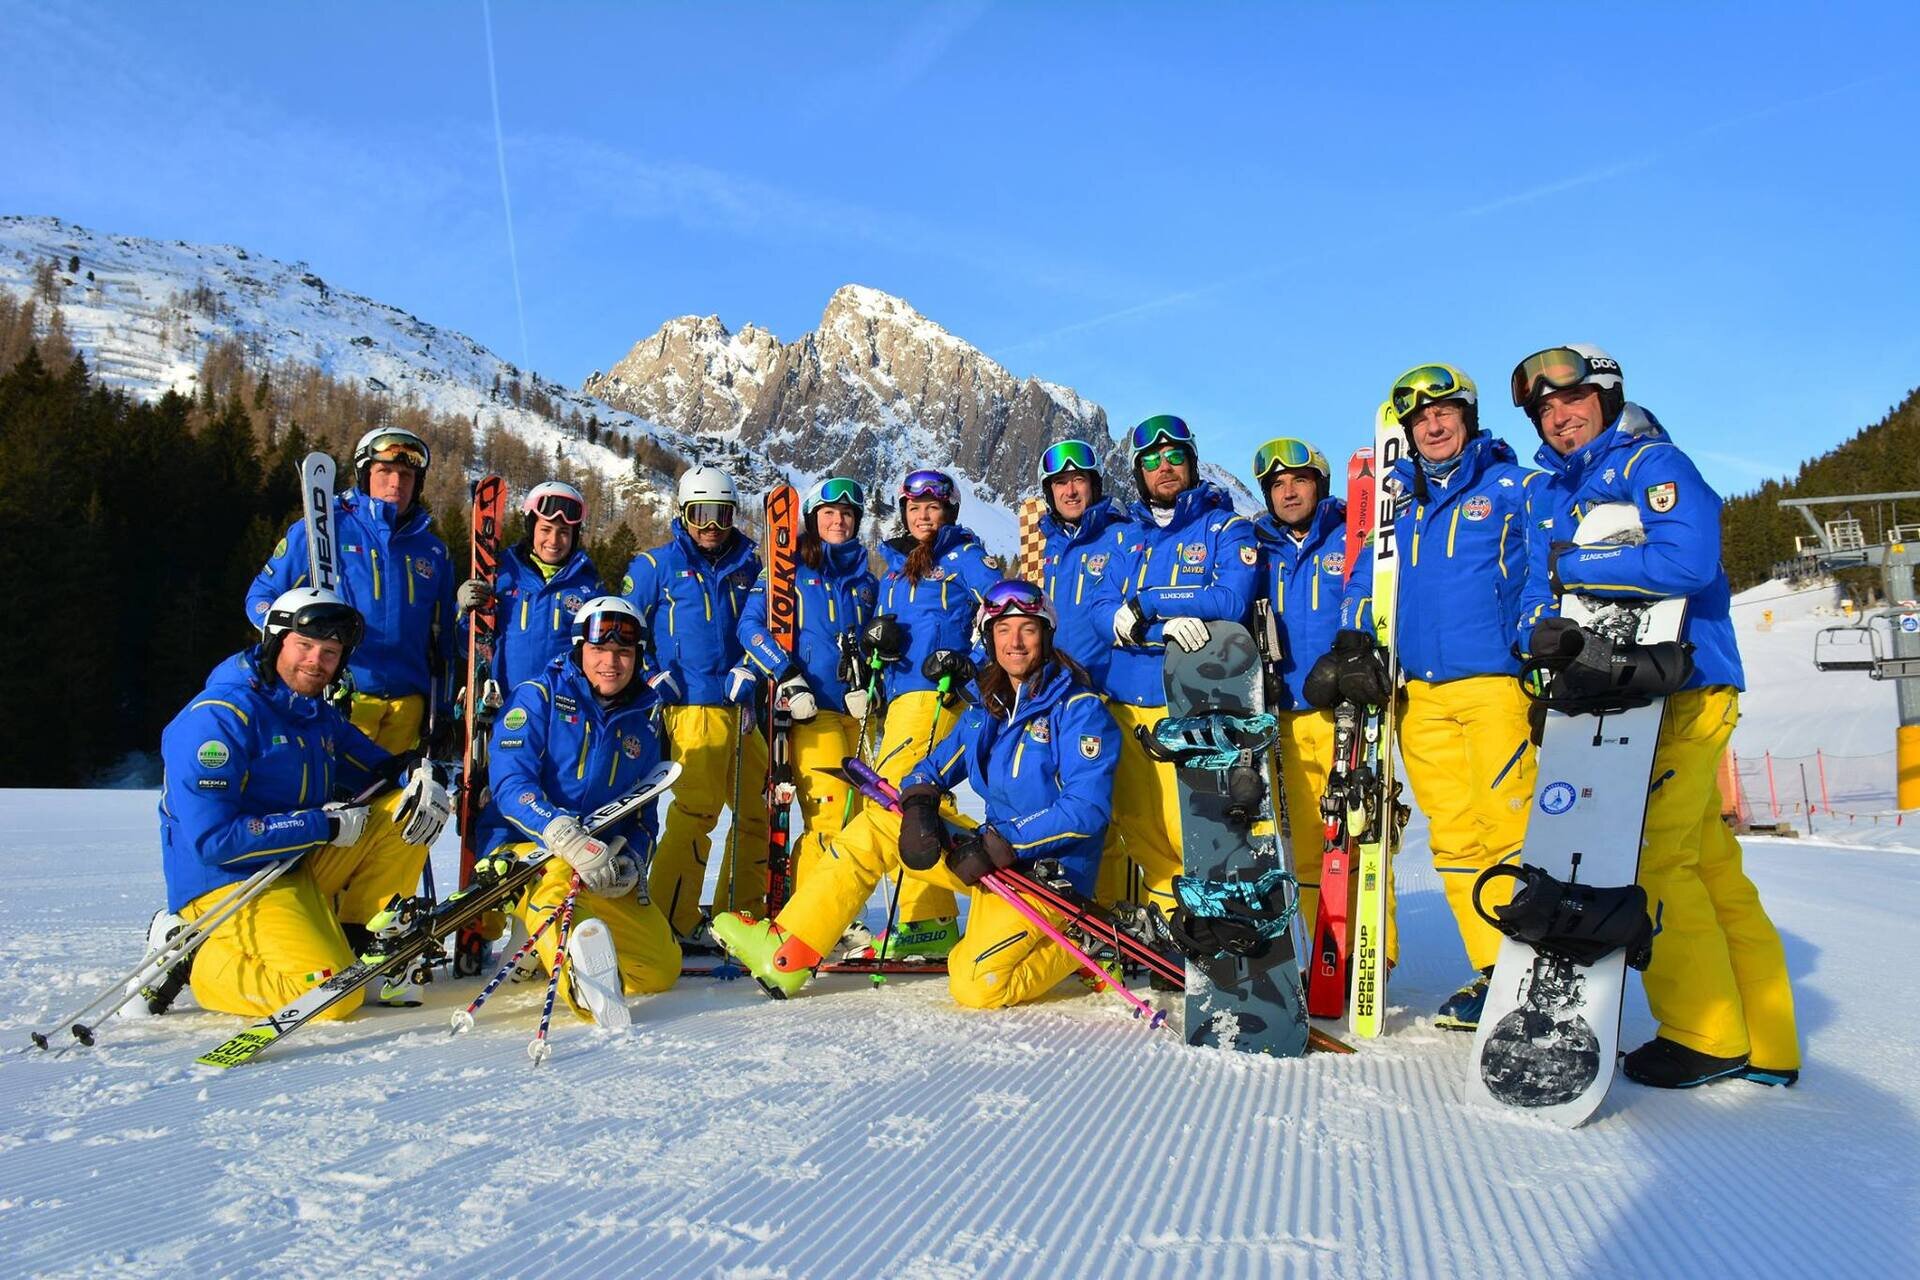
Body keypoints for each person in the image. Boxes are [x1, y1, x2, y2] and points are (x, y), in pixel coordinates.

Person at [1510, 343, 1799, 1088]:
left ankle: (1705, 1033)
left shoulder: (1648, 465)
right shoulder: (1559, 488)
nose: (1557, 418)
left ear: (1606, 396)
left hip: (1682, 689)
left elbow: (1685, 561)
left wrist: (1573, 565)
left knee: (1657, 862)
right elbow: (1543, 593)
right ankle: (1767, 1041)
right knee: (1710, 865)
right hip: (1627, 694)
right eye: (1544, 410)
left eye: (1570, 402)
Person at [710, 580, 1121, 1008]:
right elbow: (932, 768)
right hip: (989, 858)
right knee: (875, 827)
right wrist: (921, 799)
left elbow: (1085, 810)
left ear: (1046, 634)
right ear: (989, 637)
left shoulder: (1079, 709)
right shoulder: (990, 707)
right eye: (1002, 630)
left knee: (975, 985)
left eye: (1027, 630)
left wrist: (1003, 842)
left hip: (1045, 878)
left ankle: (1086, 944)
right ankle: (788, 951)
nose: (1014, 642)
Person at [1330, 366, 1540, 1030]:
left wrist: (1535, 649)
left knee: (1507, 826)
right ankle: (1492, 967)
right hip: (1417, 693)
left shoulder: (1514, 488)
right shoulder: (1398, 505)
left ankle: (1535, 967)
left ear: (1468, 418)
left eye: (1444, 412)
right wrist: (1358, 644)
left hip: (1493, 684)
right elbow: (1366, 585)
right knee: (1451, 837)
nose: (1433, 424)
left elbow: (1542, 572)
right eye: (1420, 419)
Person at [157, 587, 450, 1018]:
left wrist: (422, 775)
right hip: (229, 881)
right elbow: (215, 840)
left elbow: (380, 769)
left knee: (405, 811)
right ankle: (196, 959)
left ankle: (360, 945)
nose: (317, 662)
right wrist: (321, 825)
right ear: (275, 641)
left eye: (330, 652)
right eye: (305, 646)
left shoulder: (314, 714)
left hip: (293, 865)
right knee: (334, 999)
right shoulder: (219, 718)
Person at [1086, 415, 1259, 914]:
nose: (1165, 468)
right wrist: (1153, 626)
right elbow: (1102, 609)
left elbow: (1230, 599)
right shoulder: (1125, 538)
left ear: (1192, 462)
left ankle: (1218, 927)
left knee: (1196, 829)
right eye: (1152, 462)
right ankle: (1173, 930)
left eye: (1174, 457)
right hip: (1123, 704)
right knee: (1142, 831)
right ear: (1139, 473)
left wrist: (1147, 601)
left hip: (1187, 703)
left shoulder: (1225, 527)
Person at [482, 596, 679, 1028]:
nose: (611, 662)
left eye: (623, 652)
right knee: (556, 883)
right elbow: (511, 785)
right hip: (529, 849)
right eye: (599, 650)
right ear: (579, 649)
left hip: (600, 858)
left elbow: (645, 811)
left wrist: (632, 860)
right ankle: (581, 982)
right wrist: (560, 833)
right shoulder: (539, 696)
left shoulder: (646, 717)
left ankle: (540, 941)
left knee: (660, 969)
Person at [620, 466, 768, 943]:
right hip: (691, 708)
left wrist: (753, 667)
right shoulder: (654, 565)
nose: (711, 526)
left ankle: (737, 915)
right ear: (681, 513)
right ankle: (668, 918)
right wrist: (650, 675)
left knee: (756, 811)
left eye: (721, 515)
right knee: (697, 812)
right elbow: (624, 628)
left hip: (742, 708)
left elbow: (763, 623)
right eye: (700, 514)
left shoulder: (750, 564)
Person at [246, 427, 458, 757]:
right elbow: (260, 597)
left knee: (394, 802)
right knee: (335, 802)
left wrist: (444, 709)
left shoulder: (433, 551)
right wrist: (289, 643)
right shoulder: (322, 527)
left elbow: (444, 640)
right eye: (384, 471)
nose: (396, 484)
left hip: (408, 706)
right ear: (363, 474)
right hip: (341, 698)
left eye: (406, 474)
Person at [735, 476, 880, 899]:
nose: (839, 521)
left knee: (859, 821)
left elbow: (872, 643)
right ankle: (806, 914)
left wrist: (869, 683)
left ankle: (836, 915)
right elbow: (751, 627)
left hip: (855, 711)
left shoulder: (865, 582)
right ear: (814, 519)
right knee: (829, 818)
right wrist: (786, 674)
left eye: (848, 514)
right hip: (808, 711)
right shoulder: (787, 572)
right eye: (830, 513)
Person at [1248, 437, 1363, 936]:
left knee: (1357, 835)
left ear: (1320, 485)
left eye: (1299, 481)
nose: (1289, 493)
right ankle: (1325, 951)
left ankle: (1370, 946)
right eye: (1278, 485)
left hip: (1344, 710)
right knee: (1306, 843)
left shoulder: (1350, 535)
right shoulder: (1257, 549)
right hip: (1286, 714)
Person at [456, 480, 606, 706]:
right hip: (506, 704)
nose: (554, 541)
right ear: (531, 528)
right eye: (545, 529)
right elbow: (465, 648)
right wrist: (465, 612)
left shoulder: (588, 587)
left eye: (564, 532)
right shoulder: (500, 573)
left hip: (563, 711)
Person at [1034, 438, 1132, 690]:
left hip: (1108, 689)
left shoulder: (1122, 536)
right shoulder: (1050, 545)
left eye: (1078, 479)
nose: (1070, 491)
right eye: (1060, 482)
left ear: (1094, 485)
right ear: (1050, 492)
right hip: (1058, 687)